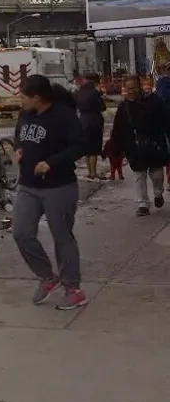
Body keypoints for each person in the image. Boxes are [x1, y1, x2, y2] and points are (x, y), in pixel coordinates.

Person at [12, 75, 88, 310]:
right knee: (21, 233)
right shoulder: (26, 114)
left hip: (59, 186)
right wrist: (18, 149)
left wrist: (51, 163)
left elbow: (80, 146)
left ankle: (73, 289)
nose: (21, 100)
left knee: (62, 237)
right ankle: (46, 276)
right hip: (28, 185)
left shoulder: (64, 116)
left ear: (38, 97)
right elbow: (19, 136)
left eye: (24, 97)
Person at [106, 75, 170, 216]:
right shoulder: (123, 107)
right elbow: (118, 128)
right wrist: (115, 147)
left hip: (154, 144)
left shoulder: (154, 101)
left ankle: (158, 193)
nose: (131, 91)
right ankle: (143, 204)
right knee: (139, 176)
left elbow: (166, 120)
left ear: (139, 86)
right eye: (128, 88)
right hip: (133, 146)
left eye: (134, 87)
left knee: (157, 174)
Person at [74, 73, 106, 180]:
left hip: (82, 121)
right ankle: (93, 173)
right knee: (94, 149)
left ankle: (89, 172)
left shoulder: (78, 92)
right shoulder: (94, 92)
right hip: (94, 121)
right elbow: (102, 107)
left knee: (87, 149)